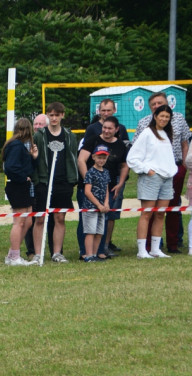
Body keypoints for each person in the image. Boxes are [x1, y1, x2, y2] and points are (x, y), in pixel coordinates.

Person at [134, 92, 190, 253]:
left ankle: (172, 244)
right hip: (153, 173)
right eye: (154, 104)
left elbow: (185, 143)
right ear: (151, 109)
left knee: (171, 208)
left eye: (160, 103)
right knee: (150, 211)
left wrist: (184, 166)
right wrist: (147, 170)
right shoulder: (145, 125)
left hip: (175, 169)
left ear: (168, 104)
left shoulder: (178, 119)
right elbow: (135, 151)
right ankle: (147, 246)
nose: (157, 106)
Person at [127, 104, 177, 259]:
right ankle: (142, 251)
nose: (164, 119)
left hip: (167, 178)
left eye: (167, 117)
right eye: (161, 116)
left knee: (160, 214)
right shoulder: (147, 133)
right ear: (155, 116)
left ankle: (155, 249)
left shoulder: (167, 134)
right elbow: (132, 158)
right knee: (147, 214)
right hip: (151, 178)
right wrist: (148, 170)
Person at [32, 101, 79, 264]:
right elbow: (35, 159)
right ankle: (38, 254)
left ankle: (57, 253)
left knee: (59, 218)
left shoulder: (69, 135)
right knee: (40, 218)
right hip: (44, 183)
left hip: (62, 182)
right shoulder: (40, 135)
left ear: (62, 116)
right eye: (51, 115)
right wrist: (38, 181)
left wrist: (72, 179)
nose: (53, 118)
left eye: (56, 115)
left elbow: (73, 157)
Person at [76, 116, 128, 259]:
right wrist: (90, 180)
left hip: (107, 188)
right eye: (104, 127)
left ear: (116, 129)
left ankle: (99, 251)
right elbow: (81, 160)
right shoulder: (92, 140)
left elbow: (124, 165)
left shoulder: (120, 145)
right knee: (86, 222)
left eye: (110, 128)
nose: (106, 130)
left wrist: (120, 183)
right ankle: (85, 253)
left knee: (102, 221)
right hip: (88, 191)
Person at [1, 117, 39, 266]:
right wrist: (23, 178)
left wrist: (33, 158)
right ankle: (15, 256)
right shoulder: (16, 146)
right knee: (19, 222)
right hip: (17, 186)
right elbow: (11, 168)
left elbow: (26, 166)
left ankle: (12, 254)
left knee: (28, 221)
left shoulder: (18, 146)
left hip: (23, 185)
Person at [24, 114, 50, 259]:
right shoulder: (27, 142)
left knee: (43, 218)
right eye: (36, 124)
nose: (37, 127)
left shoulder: (48, 141)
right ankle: (31, 251)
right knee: (29, 219)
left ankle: (48, 250)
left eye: (41, 124)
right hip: (30, 187)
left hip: (43, 184)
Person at [81, 146, 111, 262]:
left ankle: (95, 253)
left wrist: (106, 203)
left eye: (104, 158)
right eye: (99, 157)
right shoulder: (90, 173)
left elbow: (106, 189)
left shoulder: (106, 172)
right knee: (90, 231)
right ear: (93, 157)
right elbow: (87, 191)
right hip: (91, 207)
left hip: (102, 208)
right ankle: (89, 255)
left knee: (99, 232)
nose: (101, 160)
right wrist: (98, 204)